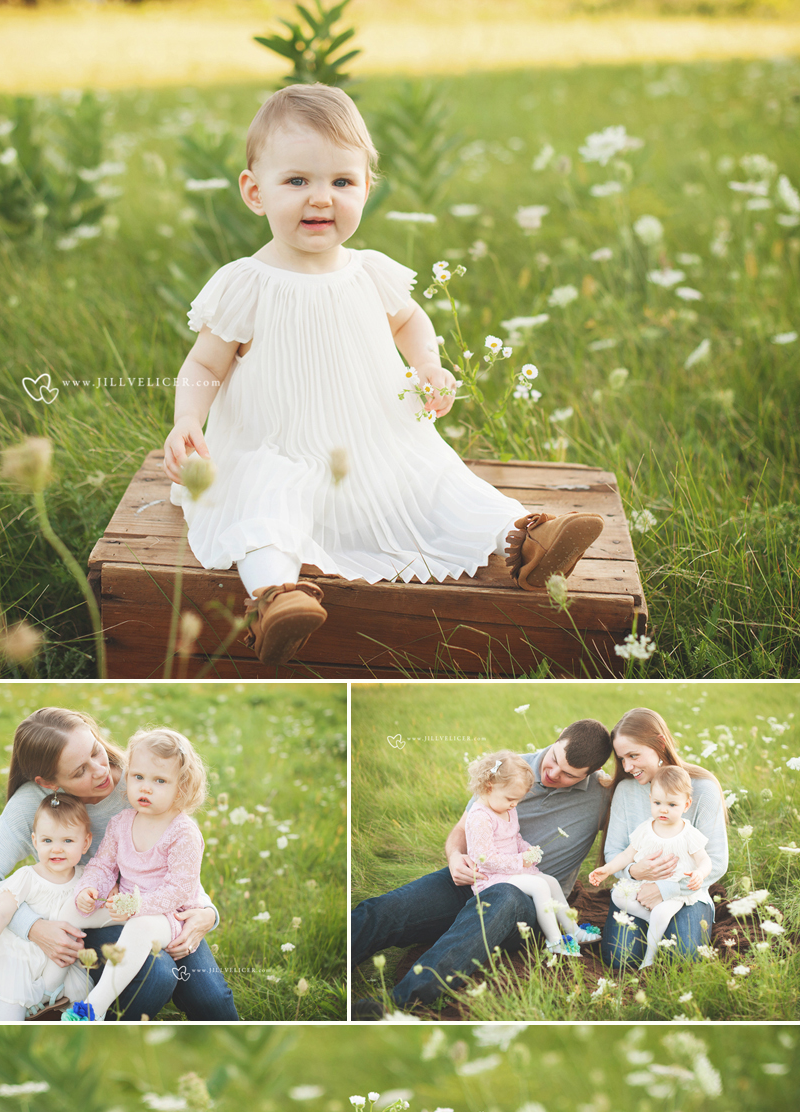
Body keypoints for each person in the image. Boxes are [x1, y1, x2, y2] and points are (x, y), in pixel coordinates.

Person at [164, 84, 603, 667]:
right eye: (297, 181)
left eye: (341, 182)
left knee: (439, 482)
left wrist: (428, 365)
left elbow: (412, 321)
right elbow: (203, 364)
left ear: (367, 188)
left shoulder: (370, 272)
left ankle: (526, 538)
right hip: (273, 444)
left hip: (375, 441)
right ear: (254, 192)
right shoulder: (248, 282)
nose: (321, 198)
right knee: (264, 503)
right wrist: (188, 422)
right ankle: (275, 598)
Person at [0, 707, 237, 1022]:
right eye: (79, 771)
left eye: (96, 751)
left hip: (162, 910)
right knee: (158, 975)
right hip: (101, 910)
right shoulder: (35, 803)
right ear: (51, 783)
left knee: (211, 998)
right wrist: (34, 928)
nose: (100, 771)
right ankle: (88, 1021)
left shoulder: (142, 779)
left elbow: (176, 866)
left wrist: (207, 914)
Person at [351, 719, 613, 1013]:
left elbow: (655, 817)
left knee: (500, 901)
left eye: (568, 775)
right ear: (557, 739)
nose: (552, 773)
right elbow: (462, 830)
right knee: (389, 909)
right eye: (553, 759)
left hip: (527, 902)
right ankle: (329, 957)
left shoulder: (602, 794)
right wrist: (454, 857)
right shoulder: (508, 771)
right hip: (476, 877)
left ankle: (397, 1005)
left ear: (590, 774)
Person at [61, 728, 211, 1024]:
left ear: (180, 789)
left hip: (165, 917)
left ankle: (93, 1007)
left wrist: (134, 906)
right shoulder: (122, 823)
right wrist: (89, 889)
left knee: (141, 929)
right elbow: (103, 866)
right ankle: (47, 983)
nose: (146, 788)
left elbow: (179, 890)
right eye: (138, 777)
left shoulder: (183, 833)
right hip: (123, 905)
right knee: (71, 909)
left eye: (160, 781)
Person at [599, 709, 728, 968]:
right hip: (637, 892)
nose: (627, 767)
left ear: (659, 744)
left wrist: (665, 889)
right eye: (622, 759)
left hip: (684, 896)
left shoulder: (702, 789)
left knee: (679, 959)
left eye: (633, 756)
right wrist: (634, 871)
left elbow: (715, 861)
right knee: (620, 959)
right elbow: (613, 850)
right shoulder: (626, 790)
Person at [0, 795, 94, 1023]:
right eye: (47, 841)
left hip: (53, 956)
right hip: (18, 950)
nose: (57, 850)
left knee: (82, 993)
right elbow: (1, 913)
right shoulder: (27, 878)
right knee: (13, 996)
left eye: (68, 841)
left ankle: (44, 1003)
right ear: (35, 841)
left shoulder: (85, 878)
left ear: (86, 843)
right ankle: (9, 1031)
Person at [465, 750, 601, 958]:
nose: (514, 805)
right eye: (511, 799)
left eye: (518, 800)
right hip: (490, 878)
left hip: (512, 870)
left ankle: (574, 930)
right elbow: (487, 860)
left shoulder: (506, 808)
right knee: (539, 886)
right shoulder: (480, 818)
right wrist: (521, 861)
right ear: (488, 786)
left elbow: (514, 837)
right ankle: (555, 941)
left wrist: (526, 849)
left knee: (552, 882)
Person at [590, 764, 711, 967]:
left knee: (662, 912)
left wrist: (699, 872)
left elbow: (705, 860)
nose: (663, 809)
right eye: (657, 803)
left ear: (686, 805)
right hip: (646, 885)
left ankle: (649, 958)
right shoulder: (646, 829)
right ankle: (653, 921)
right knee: (618, 895)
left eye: (672, 805)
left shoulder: (688, 834)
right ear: (650, 800)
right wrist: (607, 869)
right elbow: (628, 854)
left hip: (676, 890)